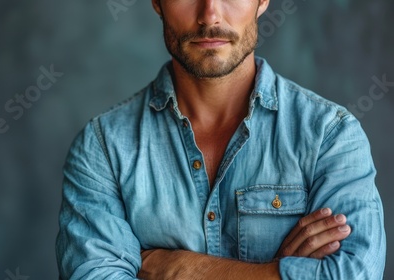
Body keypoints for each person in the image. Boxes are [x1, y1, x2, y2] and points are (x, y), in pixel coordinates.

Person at [56, 0, 386, 279]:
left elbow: (354, 272)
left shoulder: (331, 135)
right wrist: (276, 272)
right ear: (156, 2)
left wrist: (188, 269)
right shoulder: (102, 146)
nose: (210, 15)